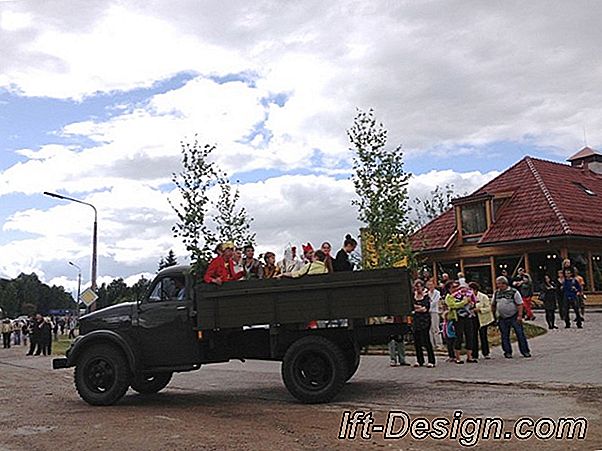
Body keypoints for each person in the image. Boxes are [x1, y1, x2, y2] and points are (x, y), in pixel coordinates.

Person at [491, 276, 531, 359]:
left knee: (520, 334)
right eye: (497, 284)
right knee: (504, 335)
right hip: (502, 317)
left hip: (514, 315)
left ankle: (525, 351)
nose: (498, 286)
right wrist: (494, 316)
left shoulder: (513, 292)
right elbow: (493, 305)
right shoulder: (496, 293)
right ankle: (507, 352)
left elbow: (520, 304)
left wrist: (520, 316)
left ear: (504, 284)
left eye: (499, 284)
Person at [446, 281, 478, 363]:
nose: (456, 288)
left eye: (457, 286)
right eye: (453, 287)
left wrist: (471, 302)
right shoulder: (449, 297)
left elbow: (473, 302)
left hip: (468, 317)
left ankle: (469, 357)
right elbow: (453, 305)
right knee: (459, 336)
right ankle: (458, 357)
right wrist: (464, 302)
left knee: (470, 336)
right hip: (457, 318)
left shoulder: (465, 294)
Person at [412, 280, 435, 368]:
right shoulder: (413, 296)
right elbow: (411, 307)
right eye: (416, 287)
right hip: (416, 320)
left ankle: (431, 360)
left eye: (419, 286)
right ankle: (419, 360)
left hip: (425, 320)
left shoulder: (426, 296)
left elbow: (425, 309)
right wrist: (418, 308)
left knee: (426, 340)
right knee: (417, 341)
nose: (418, 288)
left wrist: (417, 308)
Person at [469, 282, 493, 359]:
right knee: (473, 336)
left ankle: (486, 353)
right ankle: (474, 354)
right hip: (473, 318)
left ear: (475, 289)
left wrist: (480, 309)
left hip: (483, 319)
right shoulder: (468, 298)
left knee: (483, 335)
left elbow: (488, 308)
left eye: (471, 289)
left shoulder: (483, 297)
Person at [426, 279, 441, 349]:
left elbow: (435, 302)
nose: (430, 286)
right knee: (430, 329)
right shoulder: (427, 293)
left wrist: (428, 306)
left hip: (434, 311)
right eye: (429, 285)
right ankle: (431, 344)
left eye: (431, 285)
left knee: (435, 328)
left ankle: (438, 344)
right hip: (428, 312)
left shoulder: (437, 293)